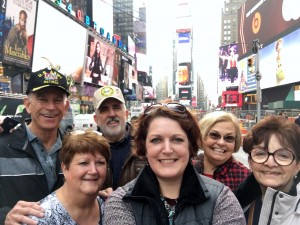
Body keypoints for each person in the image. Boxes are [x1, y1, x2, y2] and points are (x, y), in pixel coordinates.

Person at [104, 103, 246, 224]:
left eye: (177, 139)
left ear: (190, 146)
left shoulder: (222, 199)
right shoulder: (121, 202)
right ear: (144, 148)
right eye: (156, 140)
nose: (167, 149)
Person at [0, 67, 70, 225]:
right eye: (42, 99)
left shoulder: (75, 150)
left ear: (66, 107)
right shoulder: (3, 148)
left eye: (58, 99)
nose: (51, 107)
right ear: (28, 104)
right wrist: (4, 216)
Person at [28, 130, 110, 225]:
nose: (93, 171)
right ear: (65, 168)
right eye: (84, 163)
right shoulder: (40, 217)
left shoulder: (109, 207)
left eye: (100, 163)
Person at [236, 116, 300, 225]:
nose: (270, 163)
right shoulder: (237, 207)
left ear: (298, 166)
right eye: (260, 154)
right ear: (250, 162)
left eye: (283, 155)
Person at [93, 86, 147, 191]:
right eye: (104, 109)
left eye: (116, 107)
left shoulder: (144, 144)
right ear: (96, 119)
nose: (112, 114)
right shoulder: (90, 150)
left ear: (126, 113)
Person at [193, 111, 251, 191]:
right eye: (214, 135)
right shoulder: (185, 169)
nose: (221, 143)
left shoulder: (245, 177)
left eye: (229, 138)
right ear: (201, 136)